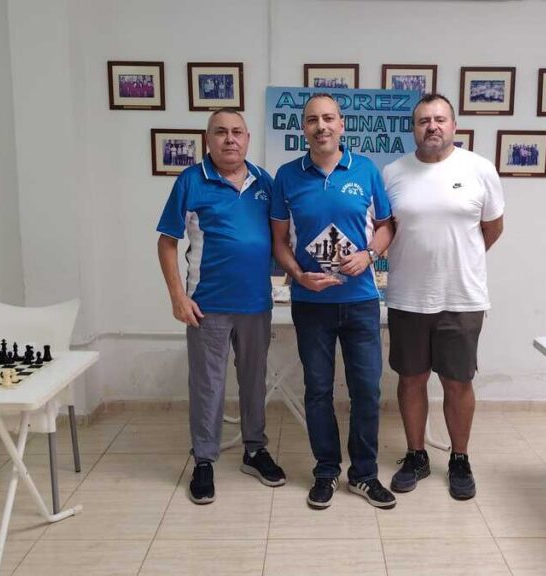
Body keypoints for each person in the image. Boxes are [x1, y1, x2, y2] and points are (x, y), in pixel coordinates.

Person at [271, 93, 396, 510]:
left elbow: (385, 226)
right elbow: (278, 242)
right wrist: (297, 273)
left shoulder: (365, 169)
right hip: (311, 302)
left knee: (366, 389)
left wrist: (369, 255)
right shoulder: (286, 176)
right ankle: (326, 470)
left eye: (328, 119)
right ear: (303, 128)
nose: (321, 126)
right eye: (312, 120)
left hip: (360, 301)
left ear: (342, 124)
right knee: (318, 389)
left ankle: (363, 474)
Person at [157, 109, 285, 505]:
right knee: (208, 385)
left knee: (254, 380)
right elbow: (167, 242)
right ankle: (204, 460)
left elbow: (279, 239)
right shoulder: (191, 181)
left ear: (247, 138)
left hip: (256, 304)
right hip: (207, 305)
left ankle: (254, 450)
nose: (230, 139)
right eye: (220, 132)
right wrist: (178, 296)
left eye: (236, 132)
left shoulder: (265, 181)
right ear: (207, 139)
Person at [382, 94, 505, 500]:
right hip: (407, 297)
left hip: (462, 297)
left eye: (439, 119)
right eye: (423, 121)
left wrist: (459, 261)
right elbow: (385, 228)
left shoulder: (479, 169)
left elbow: (492, 227)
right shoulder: (393, 173)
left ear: (454, 125)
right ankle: (416, 455)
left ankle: (459, 459)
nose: (431, 126)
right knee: (411, 379)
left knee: (458, 382)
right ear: (413, 128)